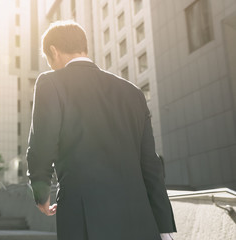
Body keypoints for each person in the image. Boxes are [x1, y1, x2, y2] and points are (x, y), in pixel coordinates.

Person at [26, 21, 176, 240]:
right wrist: (164, 227)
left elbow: (42, 144)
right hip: (140, 220)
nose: (50, 66)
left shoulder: (51, 83)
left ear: (53, 51)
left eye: (48, 61)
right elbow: (150, 165)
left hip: (85, 218)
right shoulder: (133, 92)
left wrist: (41, 194)